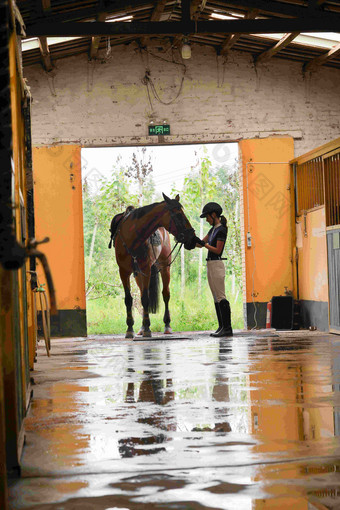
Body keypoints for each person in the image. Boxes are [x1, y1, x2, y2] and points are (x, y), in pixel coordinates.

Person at [196, 202, 233, 337]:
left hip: (217, 264)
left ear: (214, 215)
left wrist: (204, 244)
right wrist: (190, 239)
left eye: (207, 217)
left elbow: (217, 250)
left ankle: (227, 328)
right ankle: (221, 326)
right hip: (210, 264)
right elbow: (201, 243)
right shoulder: (212, 230)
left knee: (221, 296)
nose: (206, 220)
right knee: (216, 297)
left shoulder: (221, 229)